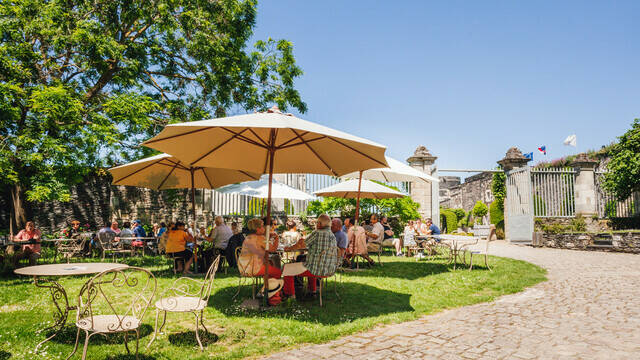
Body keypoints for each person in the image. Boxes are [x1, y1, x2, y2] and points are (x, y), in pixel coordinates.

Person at [282, 214, 338, 300]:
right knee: (311, 262)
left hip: (316, 270)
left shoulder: (317, 233)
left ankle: (289, 295)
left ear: (319, 223)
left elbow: (302, 245)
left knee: (287, 268)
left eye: (317, 222)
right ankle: (312, 291)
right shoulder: (332, 235)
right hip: (328, 269)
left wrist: (289, 248)